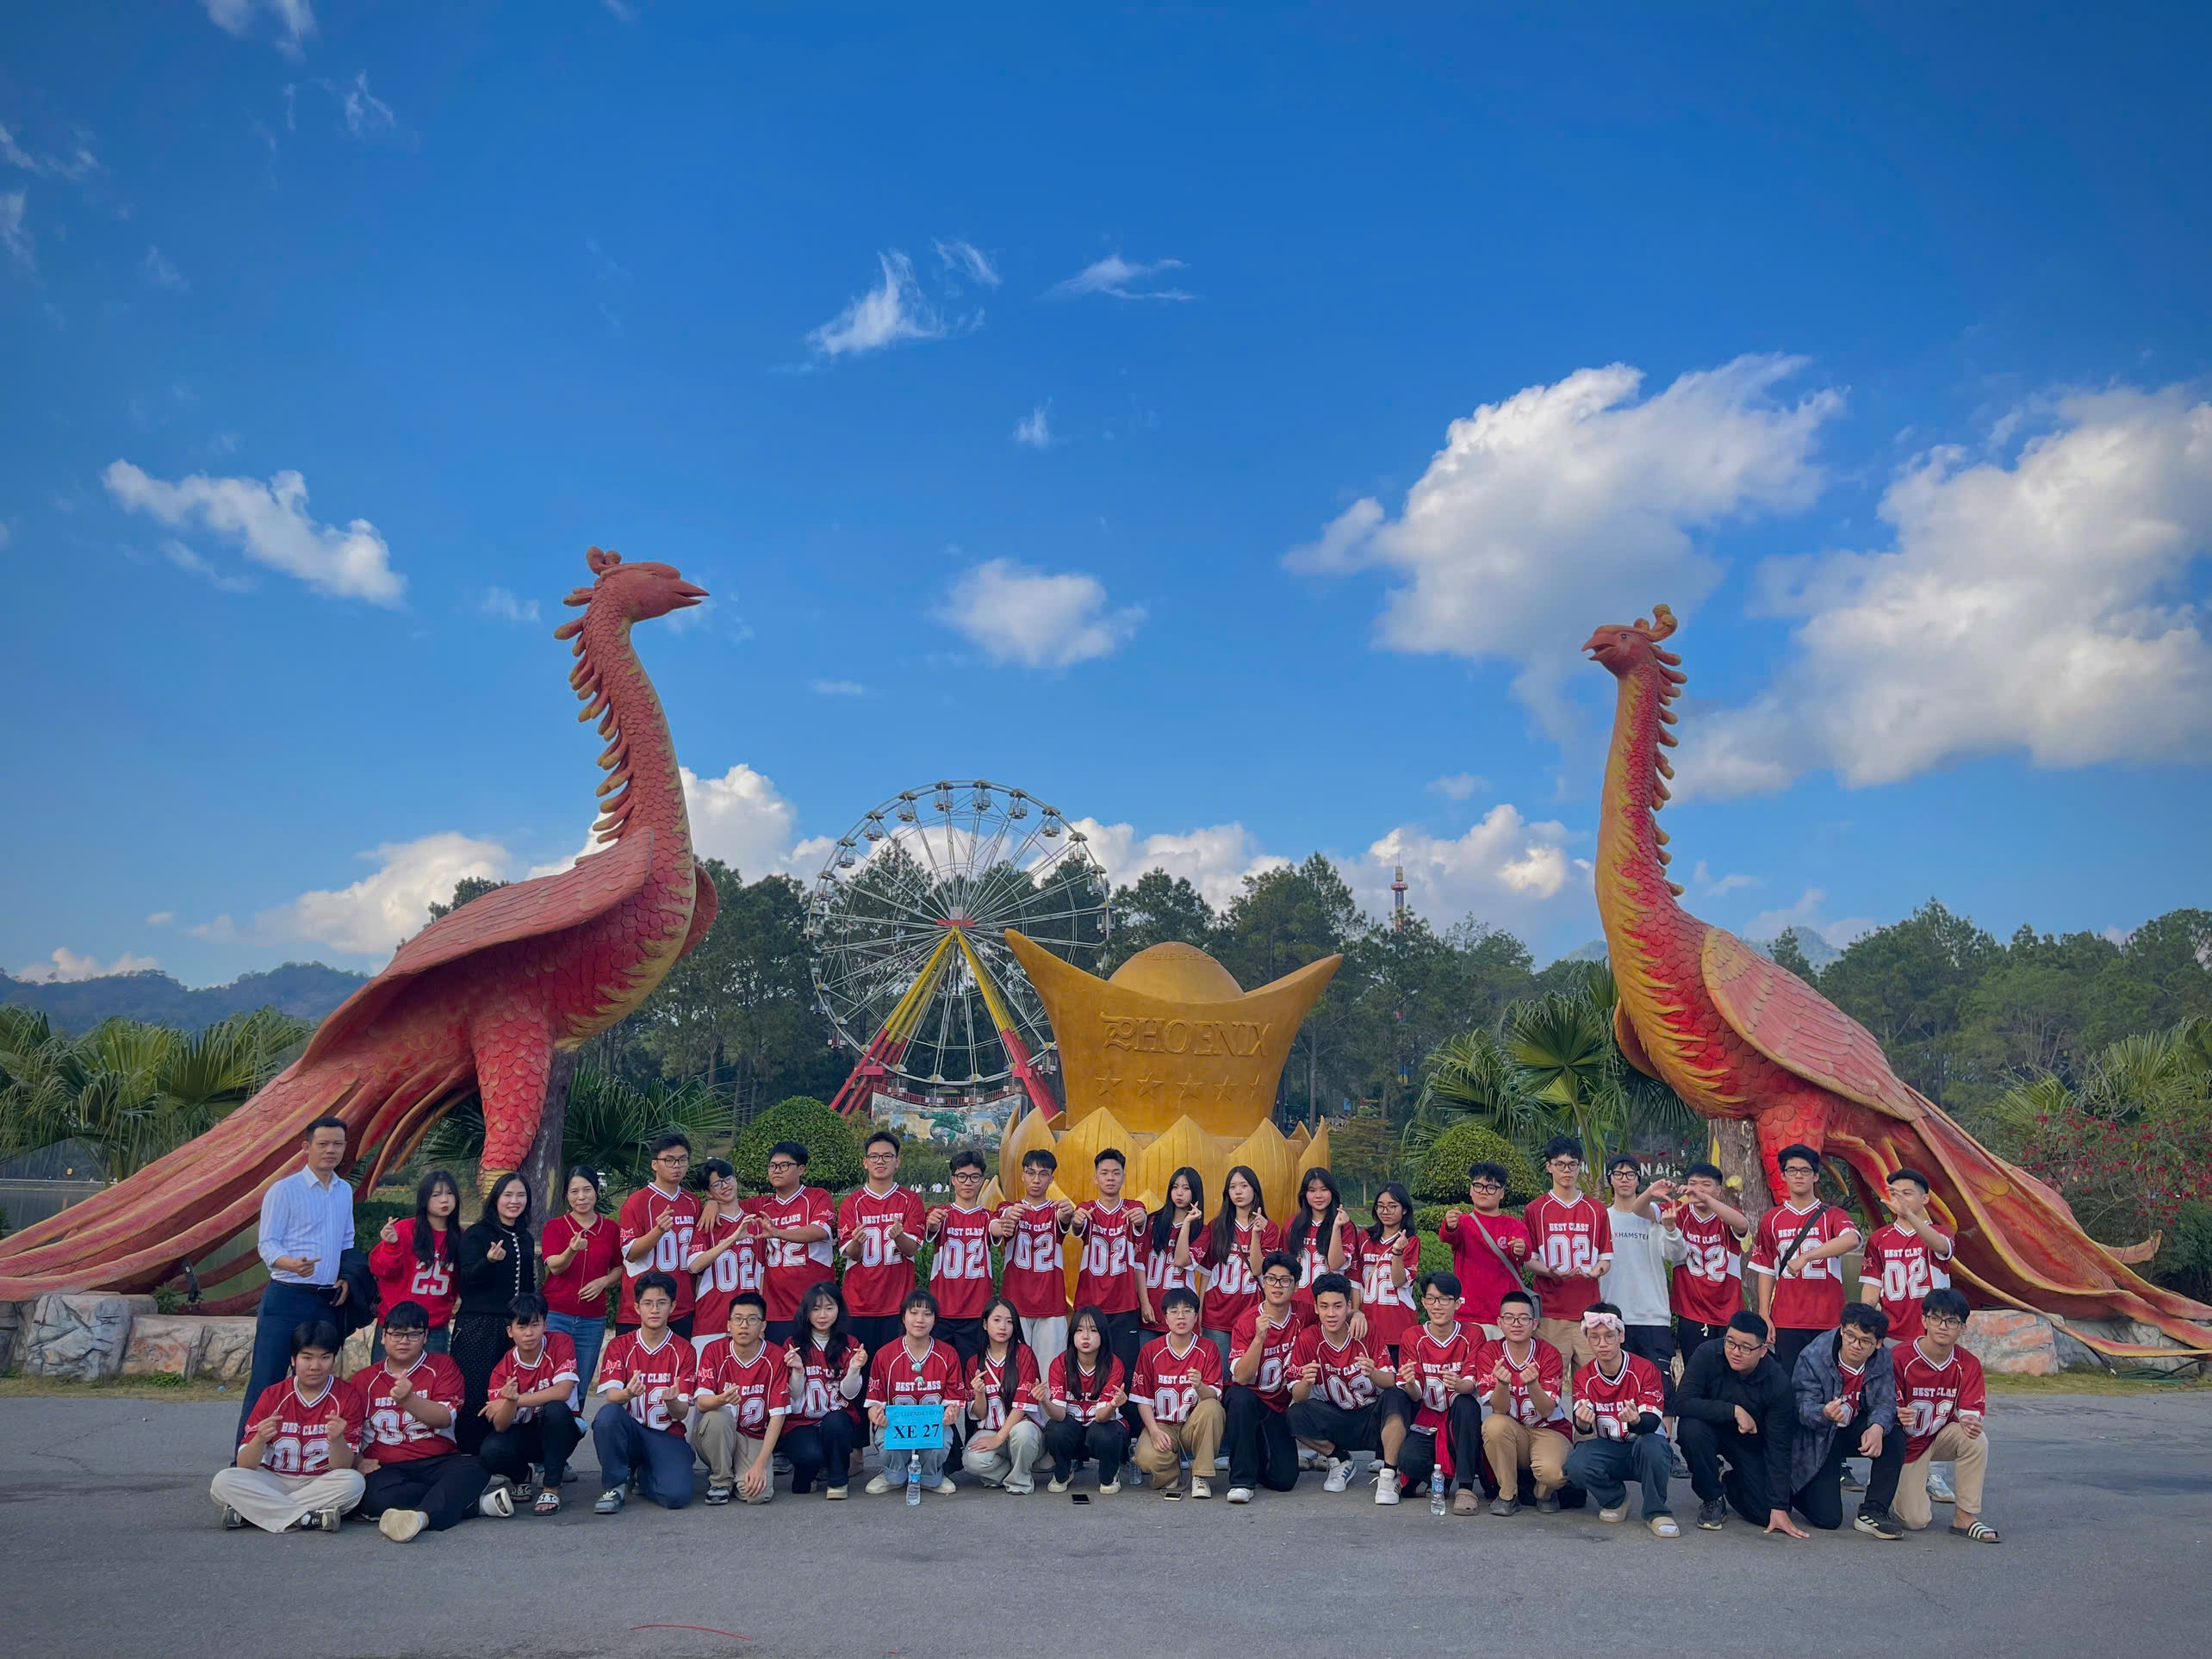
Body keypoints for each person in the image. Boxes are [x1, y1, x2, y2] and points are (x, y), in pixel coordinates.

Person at [238, 1116, 356, 1445]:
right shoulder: (284, 1190)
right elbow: (267, 1243)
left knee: (316, 1380)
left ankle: (306, 1453)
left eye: (337, 1144)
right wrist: (290, 1263)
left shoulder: (344, 1191)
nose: (331, 1150)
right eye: (323, 1144)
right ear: (306, 1147)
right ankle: (247, 1455)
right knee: (268, 1379)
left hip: (326, 1300)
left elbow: (347, 1241)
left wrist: (346, 1277)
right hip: (286, 1296)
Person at [351, 1298, 500, 1542]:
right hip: (387, 1465)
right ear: (383, 1337)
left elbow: (444, 1418)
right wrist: (358, 1460)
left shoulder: (443, 1366)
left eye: (413, 1334)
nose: (404, 1341)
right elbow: (351, 1429)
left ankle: (421, 1517)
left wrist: (408, 1399)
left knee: (475, 1469)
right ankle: (469, 1505)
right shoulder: (364, 1379)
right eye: (396, 1334)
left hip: (437, 1459)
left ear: (425, 1337)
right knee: (374, 1498)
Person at [1861, 1166, 1960, 1501]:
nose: (1899, 1199)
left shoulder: (1939, 1232)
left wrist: (1911, 1216)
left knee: (1934, 1402)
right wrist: (1867, 1324)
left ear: (1925, 1198)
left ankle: (1934, 1471)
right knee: (1891, 1401)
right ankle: (1893, 1465)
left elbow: (1941, 1246)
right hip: (1893, 1332)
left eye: (1907, 1193)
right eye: (1894, 1193)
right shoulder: (1879, 1239)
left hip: (1930, 1334)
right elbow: (1871, 1286)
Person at [212, 1319, 366, 1534]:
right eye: (307, 1357)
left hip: (320, 1481)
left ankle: (254, 1512)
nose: (315, 1366)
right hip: (273, 1478)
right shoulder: (273, 1395)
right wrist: (259, 1439)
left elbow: (343, 1467)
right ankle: (307, 1518)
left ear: (334, 1358)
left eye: (324, 1358)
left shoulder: (346, 1396)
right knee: (223, 1481)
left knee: (354, 1482)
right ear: (293, 1360)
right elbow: (244, 1463)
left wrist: (337, 1439)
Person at [1674, 1309, 1804, 1536]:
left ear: (1763, 1350)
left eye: (1745, 1347)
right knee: (1690, 1429)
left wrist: (1778, 1505)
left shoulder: (1778, 1382)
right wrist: (1733, 1411)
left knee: (1766, 1514)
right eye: (1730, 1342)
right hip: (1709, 1431)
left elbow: (1779, 1447)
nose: (1735, 1352)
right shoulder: (1707, 1354)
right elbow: (1682, 1402)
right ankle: (1712, 1497)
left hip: (1750, 1444)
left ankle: (1727, 1479)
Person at [1787, 1302, 1904, 1538]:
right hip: (1820, 1433)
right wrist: (1824, 1413)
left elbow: (1885, 1402)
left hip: (1853, 1426)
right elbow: (1800, 1407)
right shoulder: (1814, 1356)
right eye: (1850, 1336)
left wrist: (1877, 1427)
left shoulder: (1882, 1357)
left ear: (1878, 1343)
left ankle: (1874, 1510)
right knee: (1828, 1519)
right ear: (1841, 1329)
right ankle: (1797, 1491)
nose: (1855, 1345)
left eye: (1865, 1341)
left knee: (1894, 1433)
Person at [1893, 1288, 1998, 1543]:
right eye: (1936, 1318)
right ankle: (1893, 1483)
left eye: (1952, 1321)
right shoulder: (1899, 1357)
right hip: (1903, 1444)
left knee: (1975, 1439)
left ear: (1962, 1328)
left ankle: (1965, 1517)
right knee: (1915, 1521)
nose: (1943, 1326)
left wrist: (1970, 1421)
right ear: (1924, 1320)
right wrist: (1895, 1413)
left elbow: (1971, 1413)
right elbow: (1881, 1406)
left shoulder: (1968, 1364)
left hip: (1938, 1435)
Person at [1563, 1303, 1676, 1537]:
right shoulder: (1584, 1376)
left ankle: (1656, 1511)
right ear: (1587, 1339)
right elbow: (1582, 1428)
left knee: (1653, 1445)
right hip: (1610, 1448)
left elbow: (1651, 1423)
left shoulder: (1645, 1369)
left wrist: (1635, 1420)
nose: (1602, 1343)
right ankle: (1615, 1499)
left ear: (1621, 1336)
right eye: (1594, 1337)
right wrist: (1582, 1422)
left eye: (1609, 1336)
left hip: (1642, 1446)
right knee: (1576, 1463)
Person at [591, 1271, 699, 1514]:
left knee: (676, 1496)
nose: (655, 1310)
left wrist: (672, 1401)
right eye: (648, 1303)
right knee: (607, 1417)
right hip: (631, 1432)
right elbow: (612, 1397)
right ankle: (615, 1486)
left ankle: (643, 1473)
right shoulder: (620, 1345)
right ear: (637, 1307)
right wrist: (628, 1394)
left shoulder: (685, 1350)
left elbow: (681, 1413)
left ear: (672, 1306)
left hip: (666, 1434)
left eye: (662, 1303)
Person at [1748, 1142, 1861, 1373]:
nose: (1798, 1176)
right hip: (1786, 1318)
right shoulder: (1772, 1219)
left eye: (1805, 1170)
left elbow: (1851, 1239)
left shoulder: (1833, 1215)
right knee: (1789, 1381)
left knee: (1827, 1381)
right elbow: (1766, 1269)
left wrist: (1807, 1257)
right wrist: (1764, 1314)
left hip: (1827, 1317)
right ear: (1783, 1175)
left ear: (1816, 1176)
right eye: (1792, 1170)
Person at [1378, 1271, 1483, 1511]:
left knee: (1466, 1403)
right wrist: (1410, 1383)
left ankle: (1465, 1487)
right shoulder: (1412, 1336)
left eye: (1445, 1299)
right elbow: (1416, 1395)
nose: (1437, 1306)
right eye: (1431, 1299)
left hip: (1459, 1419)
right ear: (1423, 1302)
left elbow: (1471, 1383)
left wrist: (1458, 1384)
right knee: (1409, 1459)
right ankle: (1439, 1480)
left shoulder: (1472, 1333)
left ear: (1458, 1303)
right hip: (1428, 1416)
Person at [452, 1171, 536, 1456]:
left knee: (509, 1389)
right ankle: (469, 1454)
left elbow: (528, 1285)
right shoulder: (477, 1234)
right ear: (496, 1199)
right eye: (508, 1195)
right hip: (478, 1325)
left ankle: (502, 1455)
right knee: (475, 1390)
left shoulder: (525, 1237)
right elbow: (466, 1279)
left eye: (521, 1195)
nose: (514, 1201)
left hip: (513, 1327)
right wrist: (488, 1261)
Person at [478, 1292, 584, 1515]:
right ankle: (521, 1476)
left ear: (545, 1324)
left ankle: (551, 1487)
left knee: (555, 1409)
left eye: (535, 1325)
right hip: (524, 1435)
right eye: (522, 1326)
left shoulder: (561, 1343)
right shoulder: (503, 1369)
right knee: (490, 1449)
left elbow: (563, 1391)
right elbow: (500, 1425)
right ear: (510, 1331)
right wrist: (509, 1403)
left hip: (561, 1430)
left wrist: (516, 1400)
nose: (529, 1333)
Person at [1598, 1155, 1687, 1417]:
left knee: (1661, 1389)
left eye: (1630, 1174)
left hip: (1652, 1317)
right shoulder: (1602, 1219)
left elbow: (1676, 1254)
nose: (1624, 1179)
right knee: (1618, 1392)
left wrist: (1670, 1228)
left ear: (1639, 1180)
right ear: (1610, 1180)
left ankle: (1664, 1441)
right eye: (1618, 1174)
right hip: (1614, 1317)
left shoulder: (1653, 1215)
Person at [1284, 1271, 1387, 1494]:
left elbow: (1391, 1381)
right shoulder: (1308, 1339)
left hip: (1369, 1415)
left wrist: (1373, 1372)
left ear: (1349, 1306)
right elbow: (1298, 1397)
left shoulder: (1366, 1331)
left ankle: (1391, 1470)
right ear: (1315, 1308)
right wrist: (1306, 1382)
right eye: (1324, 1306)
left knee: (1398, 1399)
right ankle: (1339, 1459)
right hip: (1334, 1416)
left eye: (1338, 1306)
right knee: (1295, 1414)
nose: (1331, 1314)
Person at [1222, 1249, 1308, 1503]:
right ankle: (1241, 1480)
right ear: (1263, 1283)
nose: (1277, 1285)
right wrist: (1259, 1338)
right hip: (1249, 1400)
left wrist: (1356, 1314)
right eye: (1271, 1279)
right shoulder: (1247, 1321)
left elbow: (1332, 1314)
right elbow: (1241, 1377)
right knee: (1239, 1398)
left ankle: (1255, 1458)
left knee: (1284, 1481)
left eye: (1285, 1280)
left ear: (1295, 1285)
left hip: (1279, 1406)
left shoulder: (1304, 1314)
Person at [1476, 1289, 1571, 1516]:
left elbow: (1547, 1410)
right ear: (1499, 1322)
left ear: (1534, 1323)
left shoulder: (1549, 1353)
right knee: (1494, 1425)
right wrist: (1502, 1384)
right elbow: (1499, 1409)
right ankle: (1508, 1495)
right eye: (1509, 1318)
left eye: (1523, 1318)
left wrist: (1533, 1385)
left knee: (1552, 1475)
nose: (1516, 1324)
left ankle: (1544, 1493)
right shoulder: (1490, 1352)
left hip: (1549, 1429)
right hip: (1514, 1431)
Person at [863, 1288, 963, 1497]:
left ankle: (930, 1476)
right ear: (903, 1316)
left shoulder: (948, 1354)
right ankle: (892, 1475)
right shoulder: (885, 1355)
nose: (920, 1320)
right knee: (884, 1438)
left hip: (932, 1425)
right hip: (896, 1425)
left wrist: (951, 1413)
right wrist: (876, 1415)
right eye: (914, 1312)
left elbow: (953, 1400)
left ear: (935, 1320)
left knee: (944, 1437)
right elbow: (874, 1401)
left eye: (927, 1314)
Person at [1523, 1135, 1612, 1368]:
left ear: (1579, 1166)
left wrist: (1596, 1272)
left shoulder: (1596, 1209)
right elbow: (1529, 1260)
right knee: (1549, 1380)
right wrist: (1548, 1271)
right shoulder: (1535, 1209)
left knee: (1592, 1379)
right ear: (1549, 1166)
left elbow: (1605, 1258)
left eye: (1573, 1164)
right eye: (1560, 1164)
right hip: (1550, 1313)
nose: (1567, 1171)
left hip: (1588, 1312)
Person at [538, 1164, 619, 1420]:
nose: (581, 1197)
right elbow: (555, 1266)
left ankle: (571, 1437)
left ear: (596, 1191)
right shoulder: (555, 1226)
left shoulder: (610, 1229)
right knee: (551, 1381)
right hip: (556, 1315)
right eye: (574, 1192)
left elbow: (620, 1268)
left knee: (581, 1382)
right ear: (566, 1195)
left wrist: (603, 1282)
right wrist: (572, 1250)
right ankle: (546, 1441)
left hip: (592, 1320)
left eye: (587, 1190)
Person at [840, 1130, 928, 1364]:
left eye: (887, 1156)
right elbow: (851, 1254)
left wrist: (899, 1237)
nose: (880, 1161)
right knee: (858, 1368)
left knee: (895, 1369)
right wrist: (857, 1242)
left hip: (898, 1304)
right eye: (874, 1156)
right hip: (858, 1304)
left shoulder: (910, 1200)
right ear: (865, 1162)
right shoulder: (852, 1203)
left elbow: (912, 1249)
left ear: (897, 1161)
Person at [1129, 1286, 1225, 1499]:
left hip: (1193, 1424)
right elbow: (1142, 1399)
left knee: (1212, 1408)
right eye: (1174, 1311)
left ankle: (1200, 1475)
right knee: (1145, 1456)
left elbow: (1214, 1396)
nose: (1181, 1316)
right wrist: (1154, 1431)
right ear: (1165, 1317)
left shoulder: (1207, 1348)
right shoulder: (1151, 1350)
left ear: (1196, 1316)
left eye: (1187, 1310)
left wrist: (1200, 1386)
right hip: (1163, 1424)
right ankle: (1170, 1473)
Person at [693, 1291, 788, 1506]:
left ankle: (738, 1470)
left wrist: (760, 1464)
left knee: (756, 1495)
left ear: (763, 1326)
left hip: (753, 1436)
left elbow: (778, 1416)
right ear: (729, 1325)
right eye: (738, 1319)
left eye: (752, 1319)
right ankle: (721, 1480)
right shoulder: (714, 1350)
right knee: (717, 1417)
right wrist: (722, 1400)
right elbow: (702, 1403)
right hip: (718, 1433)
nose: (744, 1325)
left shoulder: (775, 1356)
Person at [780, 1281, 867, 1499]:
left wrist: (854, 1368)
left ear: (839, 1309)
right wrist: (798, 1371)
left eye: (829, 1308)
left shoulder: (849, 1343)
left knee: (836, 1422)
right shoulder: (793, 1343)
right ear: (806, 1311)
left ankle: (838, 1481)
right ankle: (809, 1470)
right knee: (807, 1463)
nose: (822, 1315)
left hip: (837, 1418)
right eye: (816, 1308)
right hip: (801, 1420)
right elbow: (793, 1396)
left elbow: (849, 1394)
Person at [1661, 1161, 1748, 1370]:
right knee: (1696, 1370)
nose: (1698, 1189)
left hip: (1727, 1310)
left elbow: (1742, 1224)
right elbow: (1640, 1210)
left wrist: (1706, 1199)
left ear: (1719, 1191)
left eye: (1705, 1185)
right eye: (1693, 1184)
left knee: (1728, 1372)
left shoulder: (1727, 1215)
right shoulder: (1679, 1212)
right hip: (1691, 1311)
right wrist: (1653, 1191)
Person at [1070, 1146, 1146, 1382]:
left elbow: (1141, 1220)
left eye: (1115, 1173)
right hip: (1090, 1304)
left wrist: (1141, 1218)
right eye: (1104, 1173)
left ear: (1124, 1177)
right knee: (1087, 1367)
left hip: (1124, 1304)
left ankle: (1123, 1408)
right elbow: (1077, 1226)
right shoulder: (1086, 1209)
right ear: (1095, 1178)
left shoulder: (1134, 1208)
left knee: (1126, 1370)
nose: (1110, 1178)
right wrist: (1076, 1220)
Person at [993, 1146, 1075, 1367]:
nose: (1036, 1180)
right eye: (1031, 1173)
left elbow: (1065, 1218)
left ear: (1051, 1179)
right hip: (1015, 1304)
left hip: (1051, 1304)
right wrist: (1009, 1217)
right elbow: (1002, 1218)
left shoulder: (1057, 1210)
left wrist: (1068, 1213)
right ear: (1022, 1176)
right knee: (1014, 1371)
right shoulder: (1009, 1208)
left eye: (1043, 1174)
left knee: (1050, 1372)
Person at [367, 1169, 460, 1358]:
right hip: (395, 1325)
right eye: (436, 1194)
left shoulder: (460, 1237)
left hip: (434, 1328)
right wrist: (391, 1246)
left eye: (450, 1193)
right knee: (385, 1376)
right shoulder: (404, 1229)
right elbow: (380, 1269)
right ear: (424, 1199)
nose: (444, 1200)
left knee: (432, 1376)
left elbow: (459, 1282)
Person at [1198, 1164, 1280, 1371]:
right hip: (1217, 1314)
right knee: (1220, 1375)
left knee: (1247, 1374)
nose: (1238, 1192)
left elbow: (1258, 1269)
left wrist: (1256, 1235)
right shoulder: (1216, 1226)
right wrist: (1199, 1312)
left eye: (1244, 1186)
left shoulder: (1269, 1228)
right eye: (1233, 1187)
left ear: (1255, 1189)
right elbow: (1206, 1273)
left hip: (1252, 1313)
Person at [618, 1133, 701, 1338]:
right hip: (641, 1311)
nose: (677, 1166)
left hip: (681, 1306)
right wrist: (658, 1231)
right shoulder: (637, 1202)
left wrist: (713, 1205)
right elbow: (630, 1253)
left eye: (682, 1160)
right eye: (669, 1160)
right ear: (654, 1164)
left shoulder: (693, 1202)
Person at [754, 1140, 836, 1345]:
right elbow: (729, 1204)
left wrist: (778, 1233)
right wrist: (712, 1204)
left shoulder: (817, 1196)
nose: (777, 1170)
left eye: (784, 1165)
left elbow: (819, 1231)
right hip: (776, 1309)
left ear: (801, 1169)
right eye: (772, 1166)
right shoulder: (763, 1205)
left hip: (815, 1307)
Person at [1041, 1304, 1130, 1493]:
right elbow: (1059, 1414)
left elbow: (1101, 1417)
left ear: (1103, 1334)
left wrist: (1113, 1405)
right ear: (1072, 1335)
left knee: (1105, 1432)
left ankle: (1109, 1474)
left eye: (1093, 1330)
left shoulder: (1114, 1364)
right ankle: (1064, 1471)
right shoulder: (1060, 1363)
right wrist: (1044, 1401)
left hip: (1101, 1426)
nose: (1086, 1336)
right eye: (1079, 1330)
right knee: (1055, 1429)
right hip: (1073, 1428)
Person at [962, 1297, 1044, 1494]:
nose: (1003, 1327)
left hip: (1022, 1432)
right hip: (990, 1430)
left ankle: (1020, 1480)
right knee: (971, 1460)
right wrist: (979, 1393)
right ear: (985, 1324)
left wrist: (999, 1438)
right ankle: (1010, 1470)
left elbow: (1023, 1405)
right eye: (997, 1320)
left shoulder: (1024, 1354)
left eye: (1009, 1321)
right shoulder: (974, 1362)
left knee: (1023, 1434)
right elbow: (980, 1414)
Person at [1439, 1161, 1532, 1334]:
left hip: (1506, 1316)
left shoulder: (1514, 1225)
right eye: (1478, 1186)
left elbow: (1525, 1253)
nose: (1483, 1191)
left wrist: (1521, 1248)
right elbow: (1448, 1236)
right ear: (1470, 1190)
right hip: (1468, 1315)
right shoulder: (1462, 1222)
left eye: (1491, 1187)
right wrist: (1450, 1225)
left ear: (1502, 1193)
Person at [925, 1146, 997, 1364]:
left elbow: (997, 1228)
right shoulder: (939, 1214)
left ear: (982, 1180)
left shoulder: (987, 1218)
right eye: (962, 1176)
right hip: (942, 1310)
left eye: (974, 1177)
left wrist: (1006, 1223)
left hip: (976, 1312)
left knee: (973, 1371)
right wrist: (931, 1224)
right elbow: (930, 1226)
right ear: (953, 1180)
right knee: (939, 1369)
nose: (968, 1182)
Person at [686, 1157, 760, 1358]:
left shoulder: (754, 1221)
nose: (725, 1186)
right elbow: (694, 1265)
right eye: (717, 1184)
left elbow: (762, 1271)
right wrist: (731, 1239)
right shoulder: (706, 1224)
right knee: (705, 1377)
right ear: (709, 1192)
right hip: (712, 1319)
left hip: (749, 1319)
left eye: (727, 1179)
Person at [1139, 1165, 1205, 1350]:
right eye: (1175, 1187)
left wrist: (1187, 1224)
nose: (1179, 1193)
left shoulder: (1202, 1231)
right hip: (1150, 1310)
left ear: (1195, 1192)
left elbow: (1181, 1261)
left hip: (1180, 1313)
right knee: (1147, 1363)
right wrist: (1144, 1303)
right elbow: (1139, 1265)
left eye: (1186, 1188)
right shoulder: (1152, 1222)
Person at [1358, 1183, 1420, 1365]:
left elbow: (1399, 1280)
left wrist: (1397, 1253)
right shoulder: (1365, 1238)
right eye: (1381, 1206)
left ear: (1404, 1209)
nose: (1385, 1211)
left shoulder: (1411, 1241)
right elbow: (1355, 1280)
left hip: (1398, 1325)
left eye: (1392, 1206)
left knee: (1398, 1378)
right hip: (1368, 1325)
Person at [1283, 1167, 1356, 1312]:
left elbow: (1335, 1264)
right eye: (1312, 1190)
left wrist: (1336, 1228)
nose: (1318, 1196)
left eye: (1324, 1189)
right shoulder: (1292, 1225)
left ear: (1332, 1192)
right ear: (1304, 1194)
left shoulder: (1345, 1226)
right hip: (1297, 1305)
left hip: (1328, 1307)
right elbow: (1284, 1266)